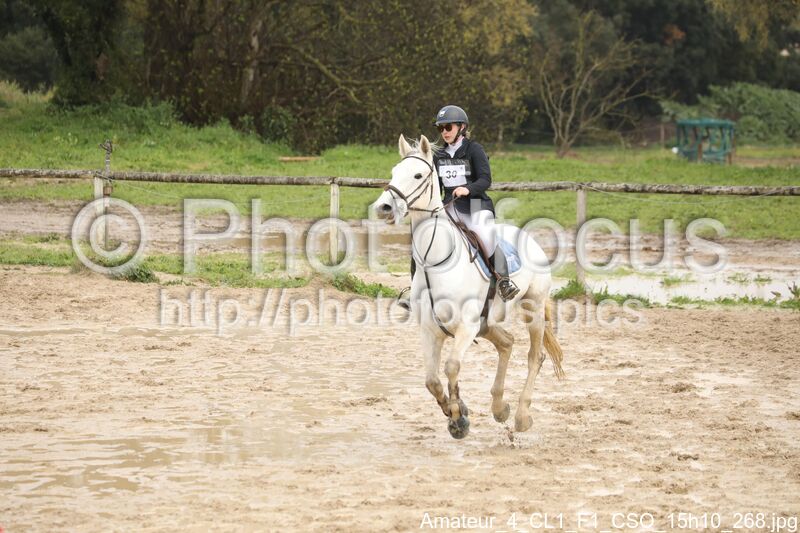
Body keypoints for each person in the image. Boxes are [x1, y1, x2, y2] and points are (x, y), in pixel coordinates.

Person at [398, 105, 519, 309]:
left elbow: (485, 179)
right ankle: (415, 290)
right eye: (441, 128)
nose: (444, 132)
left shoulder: (474, 149)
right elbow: (433, 185)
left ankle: (503, 281)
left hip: (476, 204)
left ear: (462, 127)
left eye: (448, 127)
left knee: (485, 235)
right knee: (422, 240)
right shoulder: (438, 156)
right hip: (450, 206)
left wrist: (467, 189)